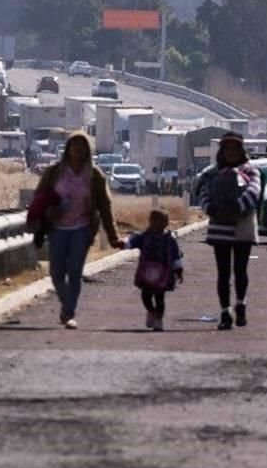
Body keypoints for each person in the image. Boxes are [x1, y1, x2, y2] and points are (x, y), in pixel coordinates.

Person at [33, 132, 119, 330]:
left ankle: (69, 311)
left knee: (74, 271)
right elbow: (40, 198)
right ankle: (65, 302)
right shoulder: (55, 172)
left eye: (82, 146)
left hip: (82, 228)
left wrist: (112, 235)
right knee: (56, 271)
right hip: (57, 228)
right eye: (74, 145)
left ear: (88, 150)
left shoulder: (95, 175)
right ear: (68, 148)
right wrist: (39, 224)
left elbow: (105, 206)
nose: (78, 149)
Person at [196, 132, 263, 330]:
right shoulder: (211, 173)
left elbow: (254, 192)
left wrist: (236, 207)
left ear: (241, 151)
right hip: (219, 227)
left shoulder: (251, 170)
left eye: (235, 149)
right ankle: (225, 312)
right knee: (223, 272)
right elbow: (203, 193)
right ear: (222, 151)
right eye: (227, 149)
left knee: (240, 270)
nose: (231, 153)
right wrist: (212, 209)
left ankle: (241, 304)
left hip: (243, 227)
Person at [123, 210, 183, 332]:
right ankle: (151, 311)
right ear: (151, 222)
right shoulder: (144, 236)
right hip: (146, 274)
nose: (161, 224)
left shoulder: (169, 239)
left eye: (164, 221)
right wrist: (123, 243)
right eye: (157, 221)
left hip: (163, 275)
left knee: (160, 298)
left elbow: (175, 255)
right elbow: (132, 241)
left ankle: (158, 320)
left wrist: (178, 270)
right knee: (145, 295)